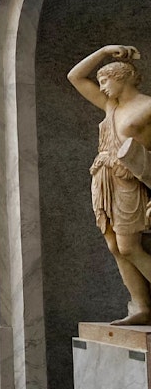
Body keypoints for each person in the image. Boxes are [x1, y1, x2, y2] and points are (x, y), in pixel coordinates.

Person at [69, 44, 151, 325]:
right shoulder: (110, 106)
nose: (102, 87)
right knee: (115, 246)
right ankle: (141, 306)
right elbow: (75, 77)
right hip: (104, 180)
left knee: (130, 246)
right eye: (100, 81)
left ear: (124, 77)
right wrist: (104, 52)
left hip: (131, 182)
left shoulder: (148, 106)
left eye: (106, 80)